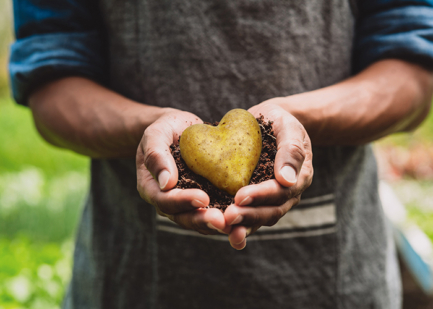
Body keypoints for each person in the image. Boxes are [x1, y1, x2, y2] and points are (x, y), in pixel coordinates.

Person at [9, 0, 433, 308]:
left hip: (335, 281)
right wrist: (148, 130)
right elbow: (52, 79)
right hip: (132, 278)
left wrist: (294, 122)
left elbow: (414, 71)